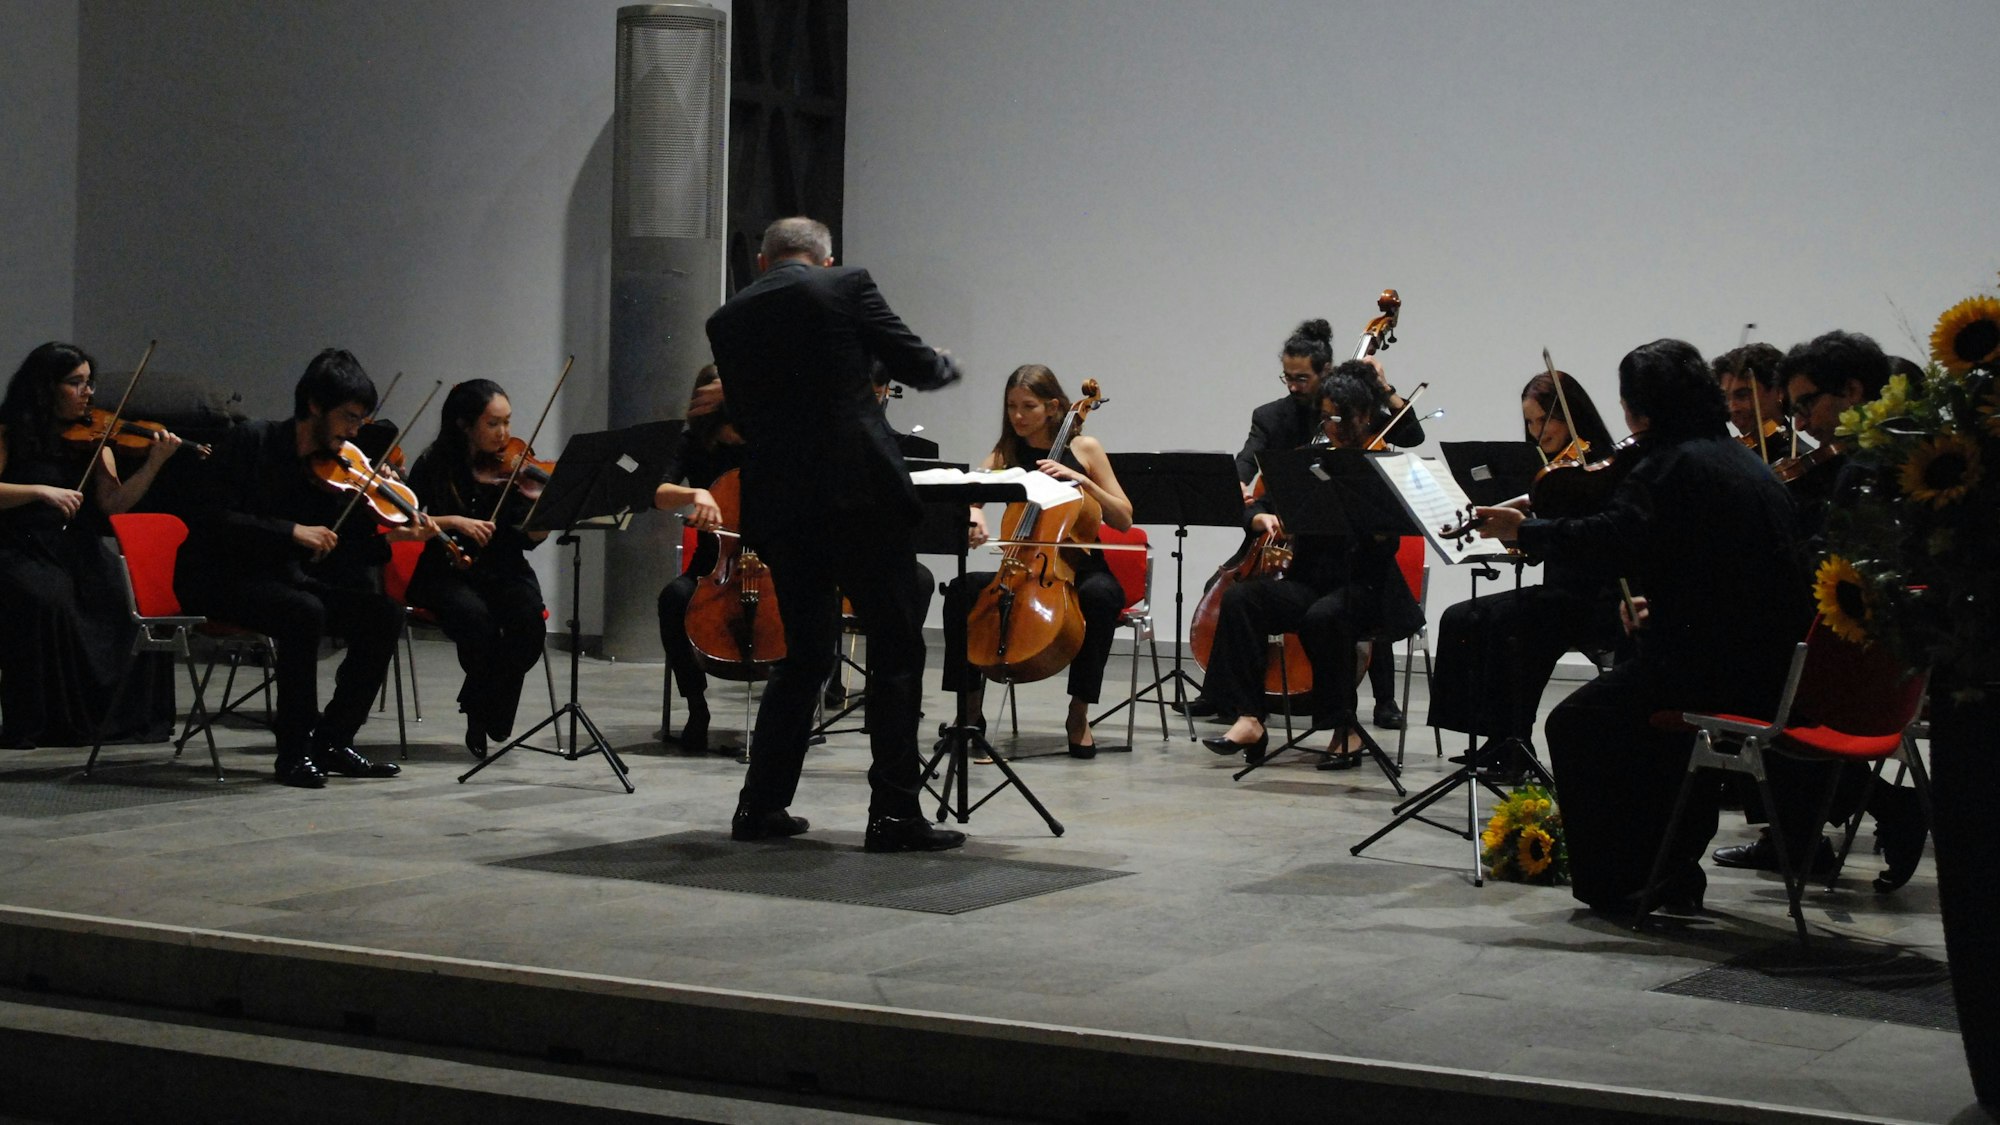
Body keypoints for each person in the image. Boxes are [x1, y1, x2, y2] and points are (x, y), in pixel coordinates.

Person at [1470, 338, 1813, 914]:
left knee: (1579, 723)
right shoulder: (1732, 458)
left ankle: (1621, 880)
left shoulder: (1671, 464)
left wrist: (1523, 531)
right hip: (1772, 662)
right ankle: (1669, 870)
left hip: (1729, 672)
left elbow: (1610, 537)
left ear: (1641, 410)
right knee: (1641, 710)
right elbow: (1700, 560)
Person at [703, 216, 963, 852]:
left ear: (765, 263)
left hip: (782, 506)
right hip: (859, 496)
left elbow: (745, 412)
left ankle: (759, 807)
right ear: (825, 258)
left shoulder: (727, 317)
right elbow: (919, 366)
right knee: (896, 649)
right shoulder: (844, 285)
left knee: (806, 656)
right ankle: (895, 815)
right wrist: (946, 365)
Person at [1709, 330, 1926, 890]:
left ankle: (1851, 818)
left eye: (1807, 404)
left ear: (1853, 390)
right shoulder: (1911, 454)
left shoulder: (1866, 469)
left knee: (1730, 676)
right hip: (1887, 664)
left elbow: (1829, 570)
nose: (1800, 424)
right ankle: (1804, 837)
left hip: (1853, 663)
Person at [176, 348, 419, 788]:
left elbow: (345, 550)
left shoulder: (330, 471)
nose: (355, 431)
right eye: (349, 417)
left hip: (281, 580)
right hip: (216, 578)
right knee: (303, 611)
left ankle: (334, 739)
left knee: (381, 614)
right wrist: (290, 531)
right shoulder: (251, 440)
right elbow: (209, 517)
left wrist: (394, 533)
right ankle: (293, 750)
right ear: (313, 405)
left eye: (361, 419)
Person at [1184, 319, 1416, 727]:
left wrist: (1383, 388)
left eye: (1302, 378)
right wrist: (1254, 508)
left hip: (1358, 573)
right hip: (1307, 560)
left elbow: (1410, 435)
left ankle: (1375, 705)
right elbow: (1258, 474)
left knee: (1333, 612)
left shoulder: (1367, 436)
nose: (1293, 386)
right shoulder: (1279, 422)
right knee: (1237, 596)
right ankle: (1244, 711)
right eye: (1287, 377)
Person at [1426, 369, 1627, 782]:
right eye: (1530, 423)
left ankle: (1516, 742)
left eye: (1543, 421)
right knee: (1461, 616)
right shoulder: (1550, 470)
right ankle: (1495, 737)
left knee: (1511, 620)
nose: (1536, 433)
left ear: (1570, 415)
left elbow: (1590, 543)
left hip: (1600, 599)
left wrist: (1530, 527)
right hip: (1561, 593)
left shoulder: (1600, 466)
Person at [940, 365, 1134, 758]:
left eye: (1028, 406)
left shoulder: (1085, 449)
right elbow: (970, 496)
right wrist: (974, 513)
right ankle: (970, 713)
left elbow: (1124, 517)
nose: (1017, 415)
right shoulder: (1006, 452)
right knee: (962, 591)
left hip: (1080, 565)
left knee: (1101, 597)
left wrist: (1084, 482)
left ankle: (1078, 714)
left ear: (1053, 407)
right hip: (1023, 565)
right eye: (1011, 406)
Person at [0, 342, 183, 747]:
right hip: (20, 543)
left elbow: (114, 504)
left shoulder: (97, 438)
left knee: (127, 600)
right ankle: (49, 720)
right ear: (44, 388)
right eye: (75, 383)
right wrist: (39, 491)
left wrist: (154, 464)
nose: (88, 393)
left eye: (89, 383)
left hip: (76, 547)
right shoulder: (9, 432)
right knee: (47, 601)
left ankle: (116, 717)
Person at [403, 379, 550, 760]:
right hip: (444, 569)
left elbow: (524, 537)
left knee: (529, 623)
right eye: (493, 424)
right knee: (477, 623)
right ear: (463, 424)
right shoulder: (432, 465)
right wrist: (455, 521)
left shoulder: (515, 471)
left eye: (508, 422)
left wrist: (545, 517)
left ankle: (477, 701)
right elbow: (410, 519)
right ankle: (485, 713)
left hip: (502, 569)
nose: (505, 435)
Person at [653, 365, 741, 754]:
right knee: (673, 599)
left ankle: (791, 713)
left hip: (774, 567)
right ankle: (697, 707)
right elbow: (657, 491)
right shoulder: (691, 444)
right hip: (713, 570)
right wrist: (695, 495)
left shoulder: (772, 440)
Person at [1712, 343, 1793, 464]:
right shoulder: (1736, 459)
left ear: (1778, 391)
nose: (1732, 408)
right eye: (1725, 398)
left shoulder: (1795, 457)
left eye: (1742, 395)